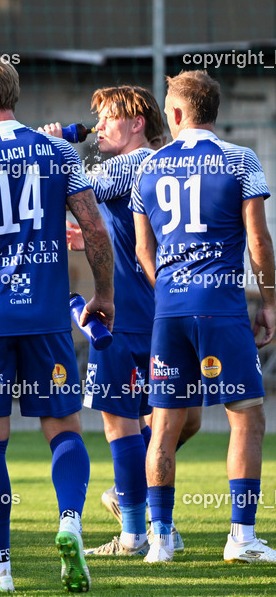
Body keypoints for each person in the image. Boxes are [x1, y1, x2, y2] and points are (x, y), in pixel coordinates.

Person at [0, 52, 114, 592]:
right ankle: (71, 522)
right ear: (14, 95)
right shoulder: (58, 151)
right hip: (49, 316)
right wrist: (103, 294)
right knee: (64, 428)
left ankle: (0, 569)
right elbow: (95, 231)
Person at [131, 70, 276, 564]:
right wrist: (271, 300)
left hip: (169, 311)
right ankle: (240, 537)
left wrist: (170, 289)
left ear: (174, 114)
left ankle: (161, 539)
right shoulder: (240, 160)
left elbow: (141, 248)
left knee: (165, 424)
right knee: (247, 418)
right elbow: (258, 241)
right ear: (214, 112)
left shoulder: (147, 168)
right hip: (222, 306)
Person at [42, 87, 164, 557]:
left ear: (137, 122)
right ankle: (156, 516)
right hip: (164, 313)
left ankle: (134, 530)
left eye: (109, 118)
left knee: (120, 425)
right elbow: (110, 228)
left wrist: (55, 145)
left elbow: (75, 189)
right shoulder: (163, 164)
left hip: (124, 315)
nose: (98, 127)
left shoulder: (125, 166)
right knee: (175, 421)